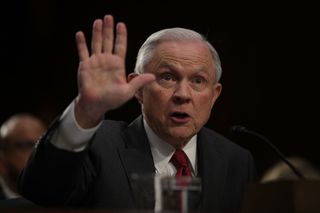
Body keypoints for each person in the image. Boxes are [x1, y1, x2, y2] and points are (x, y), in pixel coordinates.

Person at [17, 14, 257, 213]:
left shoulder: (237, 162)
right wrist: (85, 111)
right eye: (168, 77)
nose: (183, 94)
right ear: (139, 89)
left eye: (197, 80)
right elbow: (41, 190)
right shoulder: (99, 146)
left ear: (214, 95)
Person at [0, 113, 47, 200]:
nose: (37, 153)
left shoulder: (63, 200)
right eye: (26, 145)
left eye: (43, 145)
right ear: (2, 158)